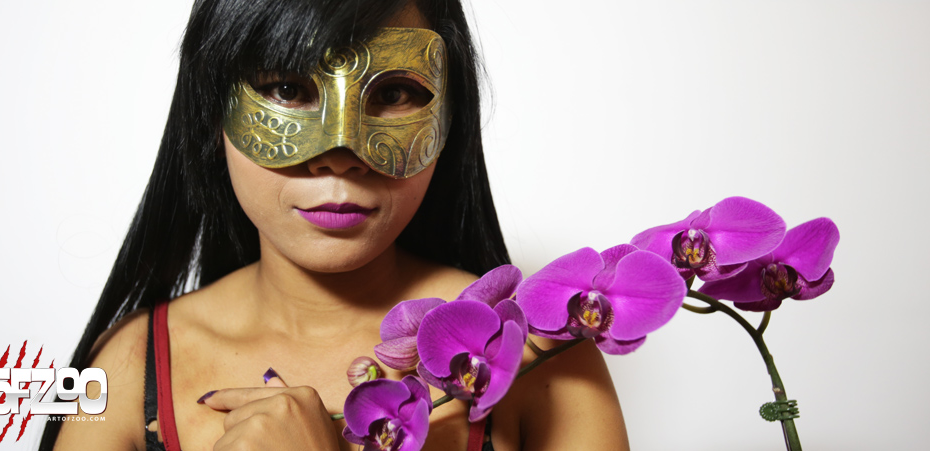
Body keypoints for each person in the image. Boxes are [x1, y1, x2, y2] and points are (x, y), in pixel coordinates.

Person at [41, 0, 629, 449]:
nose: (341, 154)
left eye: (394, 92)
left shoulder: (538, 353)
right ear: (211, 108)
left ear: (451, 118)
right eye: (287, 89)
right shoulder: (129, 367)